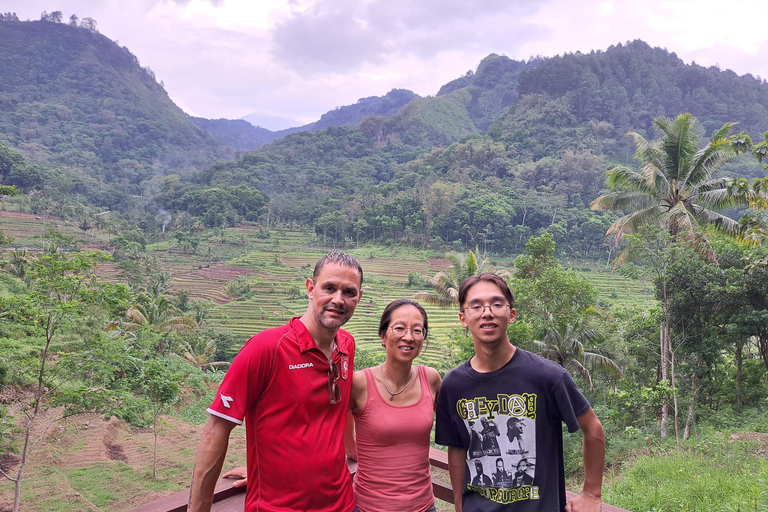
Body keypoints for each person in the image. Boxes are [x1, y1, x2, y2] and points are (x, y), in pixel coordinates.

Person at [188, 252, 364, 512]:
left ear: (359, 296)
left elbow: (340, 404)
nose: (338, 300)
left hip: (342, 504)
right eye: (329, 288)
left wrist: (353, 453)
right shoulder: (267, 348)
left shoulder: (347, 345)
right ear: (310, 288)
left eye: (349, 292)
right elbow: (217, 428)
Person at [435, 273, 605, 512]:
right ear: (464, 318)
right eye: (476, 306)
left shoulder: (546, 376)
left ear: (511, 314)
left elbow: (593, 428)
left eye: (496, 304)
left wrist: (591, 493)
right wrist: (460, 505)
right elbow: (457, 448)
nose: (487, 312)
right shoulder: (454, 384)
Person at [345, 298, 442, 512]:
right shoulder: (359, 383)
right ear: (383, 335)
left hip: (424, 506)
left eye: (417, 330)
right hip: (369, 507)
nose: (408, 337)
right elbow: (328, 428)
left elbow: (457, 426)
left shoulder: (431, 379)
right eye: (399, 328)